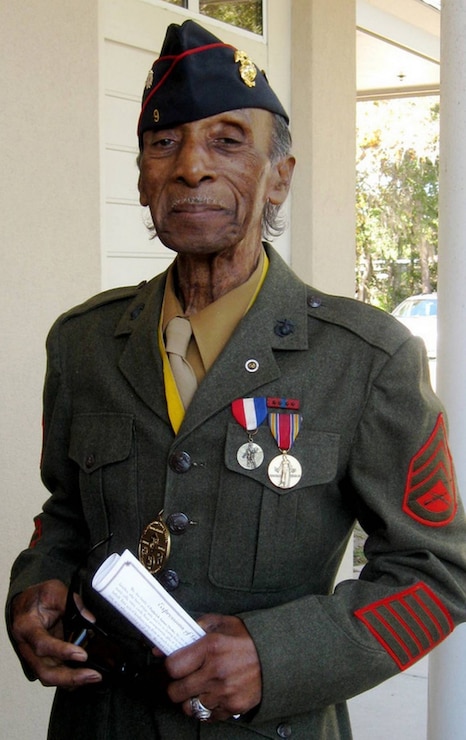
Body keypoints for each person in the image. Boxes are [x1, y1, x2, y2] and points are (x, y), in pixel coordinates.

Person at [6, 19, 466, 740]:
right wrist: (36, 584)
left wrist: (277, 656)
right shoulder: (84, 344)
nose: (191, 166)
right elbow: (65, 513)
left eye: (227, 141)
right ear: (141, 178)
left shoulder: (367, 358)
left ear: (279, 176)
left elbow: (437, 571)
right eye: (164, 143)